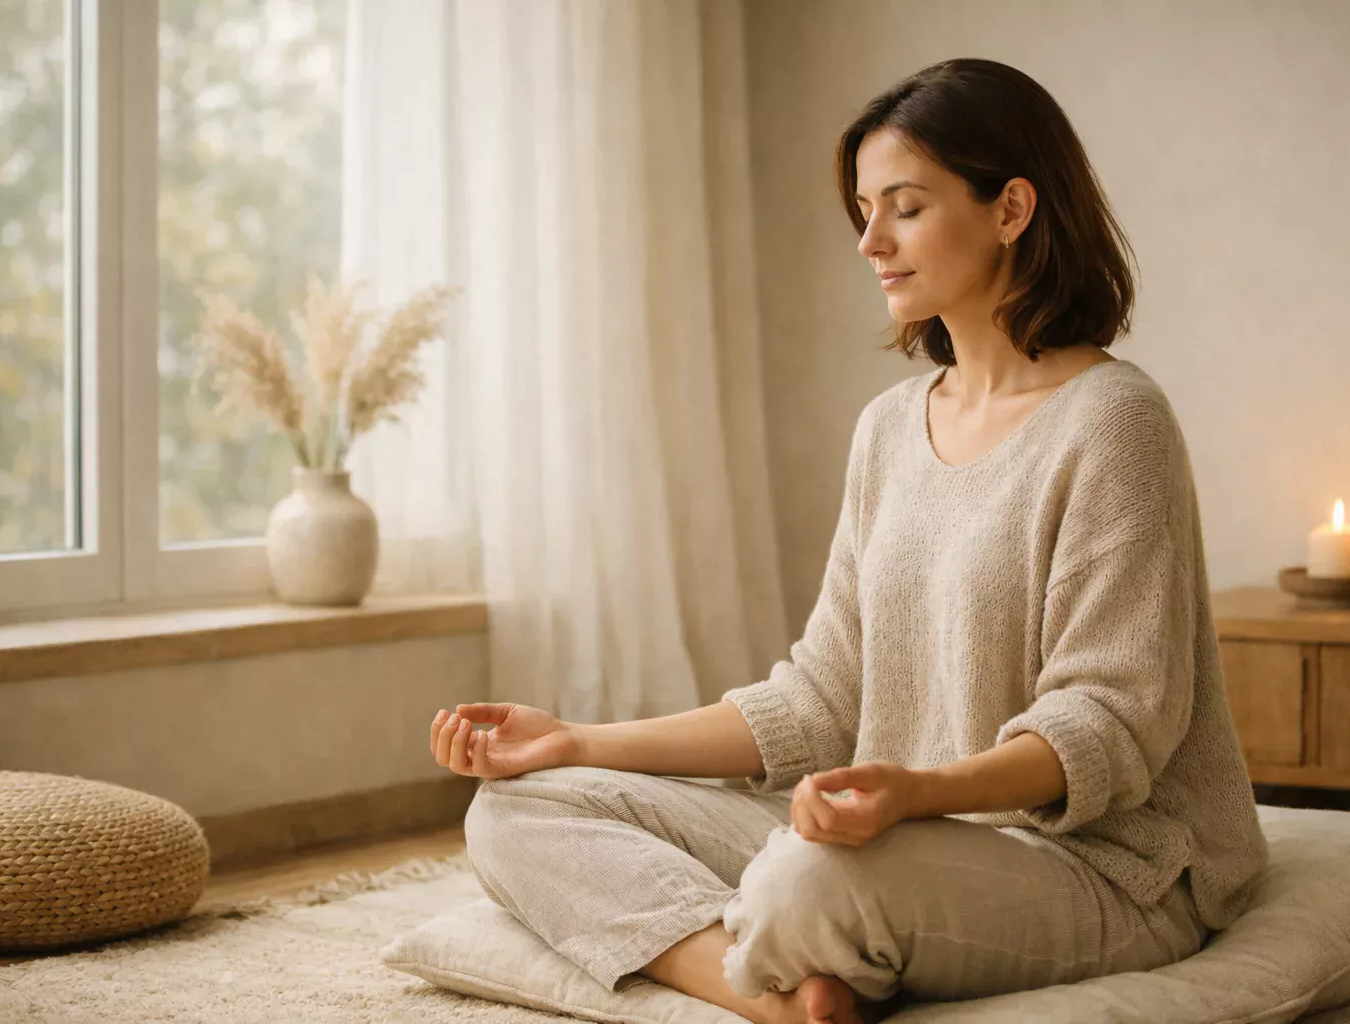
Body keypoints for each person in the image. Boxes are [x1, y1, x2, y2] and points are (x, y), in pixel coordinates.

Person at [429, 57, 1268, 1024]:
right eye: (864, 212)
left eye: (904, 208)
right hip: (901, 840)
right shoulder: (888, 429)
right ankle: (777, 996)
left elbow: (1107, 722)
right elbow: (821, 699)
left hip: (1098, 867)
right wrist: (576, 741)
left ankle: (779, 949)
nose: (871, 241)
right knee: (521, 808)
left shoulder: (1114, 422)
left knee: (806, 882)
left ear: (1011, 208)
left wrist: (915, 793)